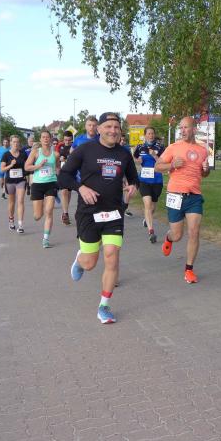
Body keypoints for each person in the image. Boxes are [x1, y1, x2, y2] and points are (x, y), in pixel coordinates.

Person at [57, 112, 138, 324]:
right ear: (99, 129)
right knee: (90, 263)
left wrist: (133, 186)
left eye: (116, 127)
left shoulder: (124, 154)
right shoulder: (85, 149)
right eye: (108, 126)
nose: (113, 130)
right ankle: (80, 259)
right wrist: (81, 188)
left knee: (112, 255)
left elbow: (133, 178)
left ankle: (104, 306)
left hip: (114, 213)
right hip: (89, 213)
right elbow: (63, 175)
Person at [154, 116, 210, 283]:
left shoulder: (202, 150)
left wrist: (206, 169)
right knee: (177, 235)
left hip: (194, 196)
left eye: (186, 127)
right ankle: (169, 238)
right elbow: (157, 167)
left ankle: (189, 269)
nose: (182, 130)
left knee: (194, 232)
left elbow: (204, 173)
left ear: (194, 129)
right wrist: (172, 165)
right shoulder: (173, 147)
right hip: (175, 195)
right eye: (181, 128)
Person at [25, 132, 59, 248]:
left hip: (51, 183)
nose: (45, 139)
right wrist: (38, 166)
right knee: (38, 216)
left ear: (51, 139)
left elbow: (57, 168)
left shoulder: (55, 154)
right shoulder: (35, 152)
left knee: (49, 211)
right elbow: (26, 167)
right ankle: (40, 207)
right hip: (38, 185)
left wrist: (61, 175)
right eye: (43, 137)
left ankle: (46, 239)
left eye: (47, 137)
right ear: (40, 139)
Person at [133, 126, 165, 243]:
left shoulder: (160, 147)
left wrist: (154, 156)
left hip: (157, 180)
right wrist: (138, 161)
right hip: (144, 180)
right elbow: (134, 158)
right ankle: (151, 232)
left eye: (152, 133)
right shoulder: (140, 147)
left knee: (152, 207)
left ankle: (147, 219)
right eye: (149, 133)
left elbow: (164, 162)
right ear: (145, 135)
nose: (151, 135)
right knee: (147, 204)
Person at [0, 135, 29, 233]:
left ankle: (20, 225)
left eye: (17, 142)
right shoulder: (6, 155)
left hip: (21, 180)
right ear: (11, 143)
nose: (16, 144)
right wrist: (11, 165)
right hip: (10, 181)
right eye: (14, 142)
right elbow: (2, 169)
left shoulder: (23, 154)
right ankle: (11, 219)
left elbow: (27, 165)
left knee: (20, 201)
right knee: (12, 202)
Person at [57, 130, 75, 225]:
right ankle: (65, 213)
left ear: (72, 139)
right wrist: (59, 160)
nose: (67, 142)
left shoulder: (74, 147)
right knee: (64, 192)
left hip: (72, 173)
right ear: (63, 139)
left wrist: (67, 159)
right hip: (62, 172)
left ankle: (65, 210)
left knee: (68, 193)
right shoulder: (60, 147)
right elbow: (56, 158)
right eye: (65, 140)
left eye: (69, 140)